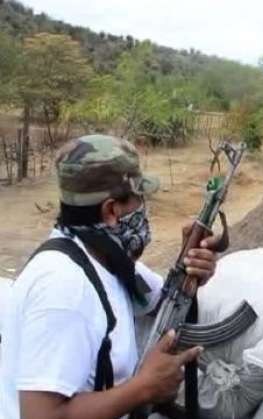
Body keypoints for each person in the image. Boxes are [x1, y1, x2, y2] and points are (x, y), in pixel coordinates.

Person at [0, 135, 221, 419]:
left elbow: (160, 303)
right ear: (112, 211)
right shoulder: (64, 286)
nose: (144, 209)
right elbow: (41, 416)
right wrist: (143, 388)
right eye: (139, 199)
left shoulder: (103, 258)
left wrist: (190, 261)